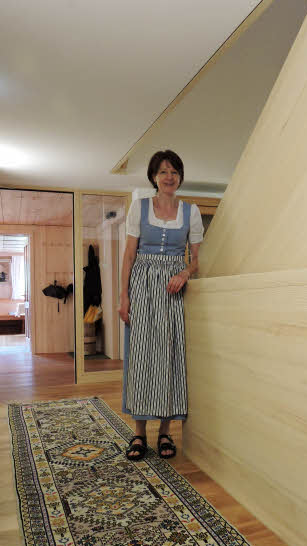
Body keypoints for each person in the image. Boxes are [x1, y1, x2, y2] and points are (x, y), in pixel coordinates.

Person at [119, 150, 203, 460]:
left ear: (180, 176)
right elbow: (129, 256)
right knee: (141, 355)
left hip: (172, 287)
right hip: (141, 284)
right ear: (154, 176)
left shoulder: (191, 212)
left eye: (174, 171)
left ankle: (165, 431)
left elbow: (196, 261)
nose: (169, 177)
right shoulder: (139, 208)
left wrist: (184, 271)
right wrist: (123, 296)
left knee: (169, 354)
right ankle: (139, 433)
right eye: (163, 171)